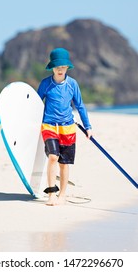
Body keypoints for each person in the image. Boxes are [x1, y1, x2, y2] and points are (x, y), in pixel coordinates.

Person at [37, 48, 92, 206]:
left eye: (63, 66)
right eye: (57, 67)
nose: (60, 69)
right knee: (53, 157)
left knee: (64, 162)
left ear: (67, 67)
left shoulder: (72, 84)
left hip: (67, 127)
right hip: (49, 125)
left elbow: (80, 106)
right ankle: (51, 194)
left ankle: (62, 195)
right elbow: (35, 103)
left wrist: (88, 127)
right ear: (52, 68)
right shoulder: (45, 84)